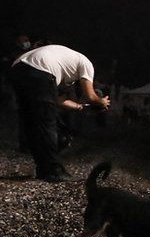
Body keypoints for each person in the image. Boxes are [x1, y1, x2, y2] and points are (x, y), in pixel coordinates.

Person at [9, 44, 111, 182]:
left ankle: (43, 168)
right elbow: (91, 96)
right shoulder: (87, 64)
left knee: (32, 120)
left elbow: (58, 100)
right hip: (40, 69)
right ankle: (53, 171)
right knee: (48, 124)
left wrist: (80, 107)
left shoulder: (65, 63)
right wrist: (102, 102)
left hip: (18, 69)